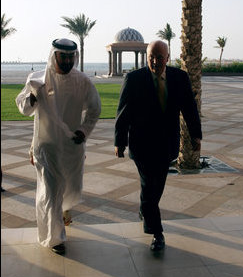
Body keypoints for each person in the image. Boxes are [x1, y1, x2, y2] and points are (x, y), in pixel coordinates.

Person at [16, 38, 101, 255]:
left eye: (70, 56)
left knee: (69, 191)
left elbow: (95, 108)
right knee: (51, 192)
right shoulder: (37, 79)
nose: (66, 60)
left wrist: (84, 131)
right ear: (54, 55)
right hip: (46, 147)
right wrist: (34, 97)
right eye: (62, 56)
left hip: (72, 148)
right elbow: (24, 109)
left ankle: (60, 221)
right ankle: (56, 239)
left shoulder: (82, 81)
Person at [114, 40, 202, 251]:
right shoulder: (134, 79)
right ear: (147, 57)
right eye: (151, 57)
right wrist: (120, 142)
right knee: (148, 186)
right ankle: (157, 232)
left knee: (156, 186)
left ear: (168, 58)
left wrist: (195, 136)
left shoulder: (179, 78)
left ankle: (146, 210)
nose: (155, 61)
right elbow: (122, 113)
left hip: (166, 146)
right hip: (142, 145)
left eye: (159, 57)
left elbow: (190, 109)